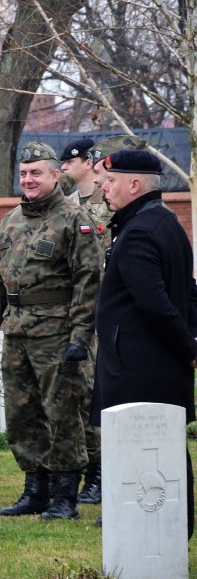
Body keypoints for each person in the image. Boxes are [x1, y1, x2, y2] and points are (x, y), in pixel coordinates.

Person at [0, 141, 102, 520]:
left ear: (53, 176)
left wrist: (80, 337)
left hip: (57, 332)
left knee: (62, 412)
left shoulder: (73, 219)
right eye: (24, 174)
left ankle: (66, 495)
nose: (28, 180)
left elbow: (88, 282)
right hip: (17, 331)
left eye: (36, 174)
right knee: (22, 413)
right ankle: (35, 489)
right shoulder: (13, 220)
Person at [92, 149, 196, 538]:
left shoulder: (138, 230)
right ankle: (171, 529)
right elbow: (189, 292)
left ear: (134, 184)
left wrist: (190, 349)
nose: (104, 187)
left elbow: (157, 304)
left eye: (111, 180)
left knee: (146, 457)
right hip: (154, 364)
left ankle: (153, 531)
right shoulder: (163, 221)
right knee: (166, 452)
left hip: (137, 367)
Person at [59, 137, 111, 505]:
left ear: (88, 162)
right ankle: (87, 468)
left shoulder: (110, 203)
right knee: (79, 395)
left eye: (69, 162)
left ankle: (101, 471)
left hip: (105, 310)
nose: (63, 168)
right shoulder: (67, 207)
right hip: (75, 311)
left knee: (97, 394)